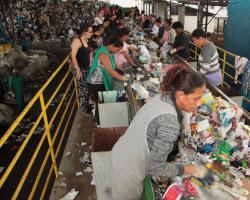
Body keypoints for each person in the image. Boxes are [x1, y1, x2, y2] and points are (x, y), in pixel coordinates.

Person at [106, 65, 214, 199]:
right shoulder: (169, 122)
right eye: (196, 99)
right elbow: (156, 168)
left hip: (121, 155)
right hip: (127, 174)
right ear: (180, 95)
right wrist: (194, 170)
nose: (199, 103)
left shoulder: (164, 97)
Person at [87, 37, 129, 125]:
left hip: (101, 81)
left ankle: (103, 119)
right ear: (112, 45)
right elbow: (110, 70)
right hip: (95, 83)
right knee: (100, 103)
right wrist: (123, 78)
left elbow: (112, 65)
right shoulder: (103, 54)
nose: (117, 51)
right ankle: (99, 123)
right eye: (117, 49)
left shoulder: (109, 52)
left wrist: (120, 69)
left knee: (102, 101)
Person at [71, 24, 93, 115]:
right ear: (84, 32)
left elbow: (88, 53)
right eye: (90, 31)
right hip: (80, 69)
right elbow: (73, 56)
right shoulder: (77, 40)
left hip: (86, 68)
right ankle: (85, 108)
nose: (92, 33)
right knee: (83, 89)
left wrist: (90, 64)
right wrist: (78, 70)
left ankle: (87, 105)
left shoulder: (86, 40)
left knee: (87, 88)